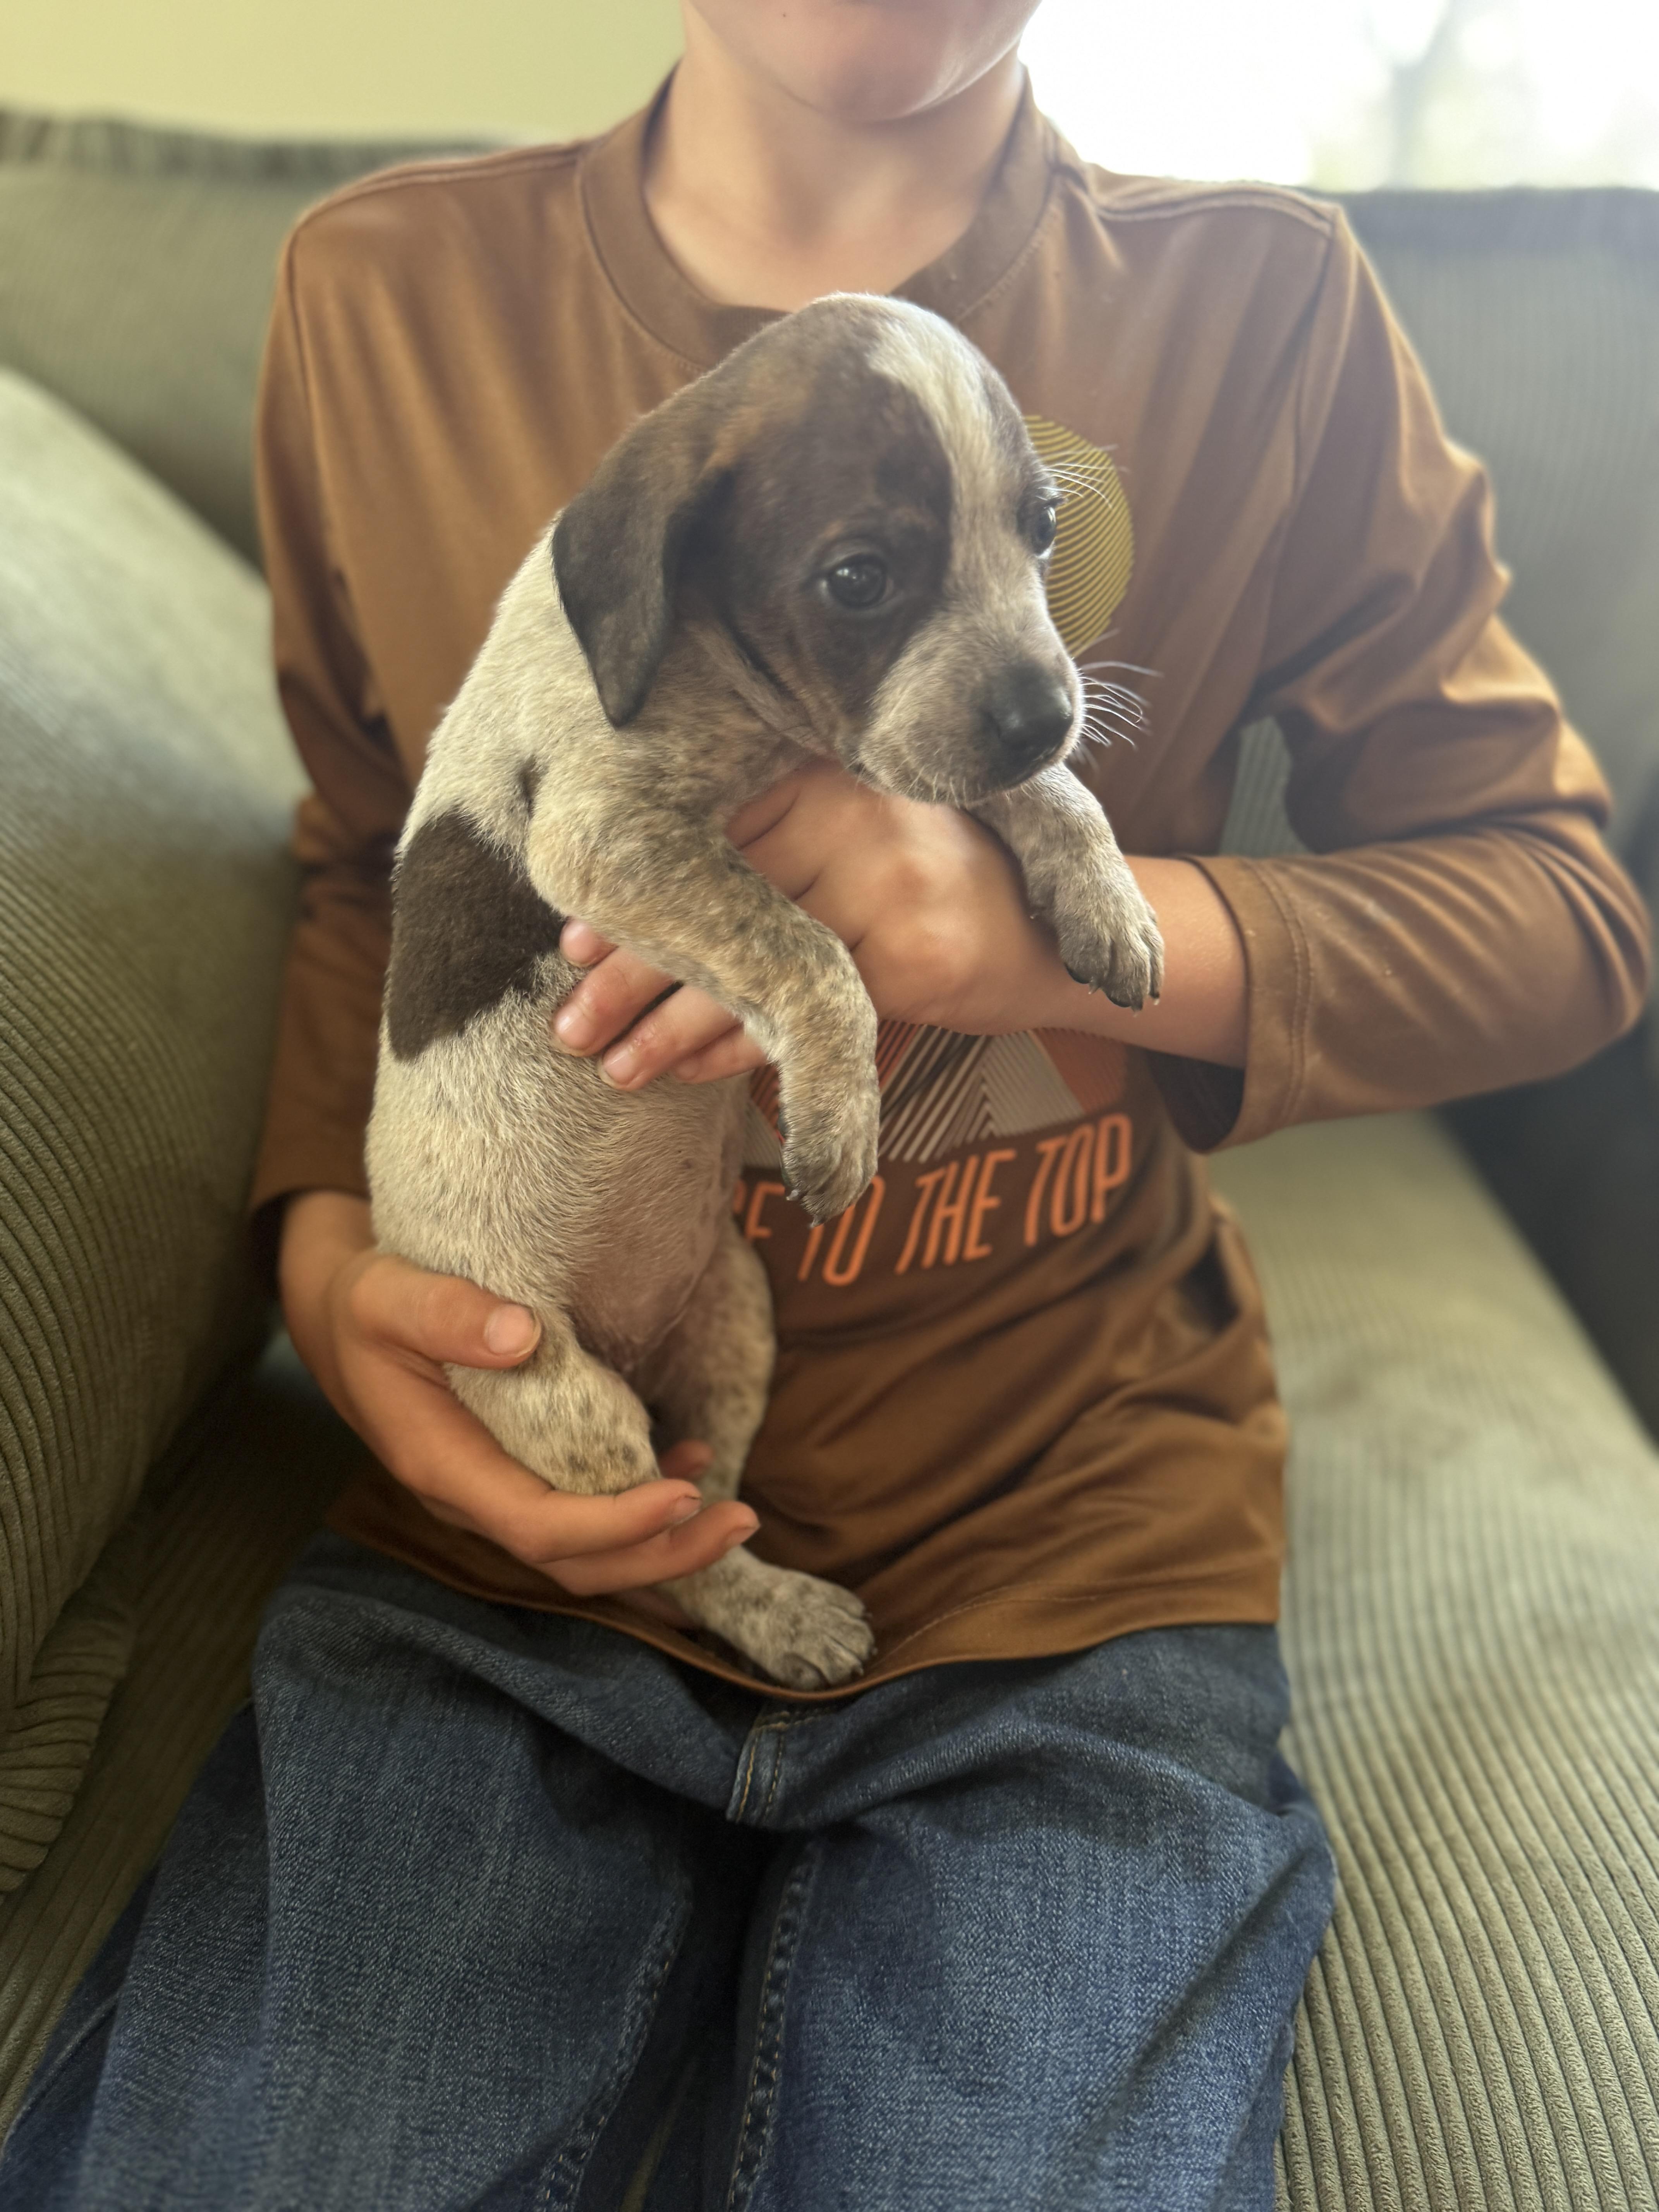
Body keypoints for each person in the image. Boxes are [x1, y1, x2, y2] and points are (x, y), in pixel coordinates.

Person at [3, 3, 1648, 2207]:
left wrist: (1029, 932)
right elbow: (357, 854)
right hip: (511, 1549)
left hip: (1065, 1546)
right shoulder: (384, 294)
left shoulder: (1270, 306)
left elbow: (1566, 913)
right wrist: (327, 1269)